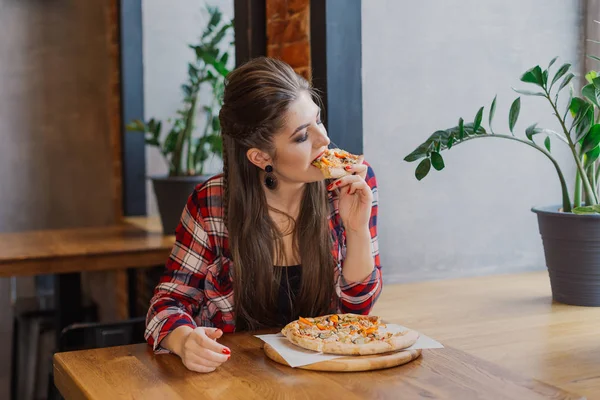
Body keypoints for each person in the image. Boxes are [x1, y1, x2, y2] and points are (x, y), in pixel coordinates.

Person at [144, 57, 382, 373]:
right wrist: (185, 340)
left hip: (324, 379)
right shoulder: (211, 204)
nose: (324, 140)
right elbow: (167, 304)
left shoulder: (350, 188)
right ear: (260, 156)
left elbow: (359, 312)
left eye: (319, 121)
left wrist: (357, 231)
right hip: (232, 380)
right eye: (301, 136)